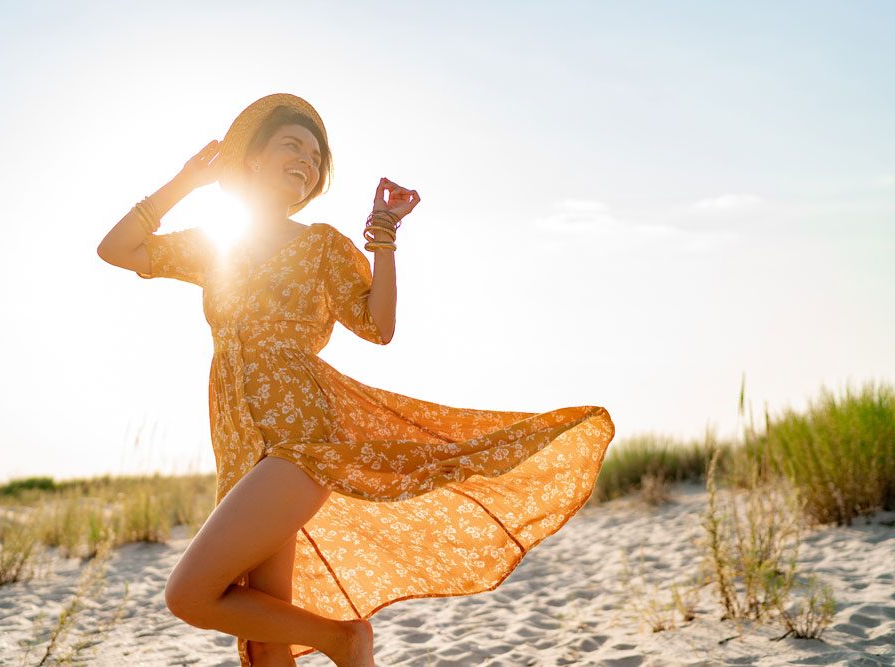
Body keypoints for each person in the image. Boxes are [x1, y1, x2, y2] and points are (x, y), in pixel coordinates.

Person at [97, 93, 615, 667]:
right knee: (266, 641)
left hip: (302, 444)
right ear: (251, 159)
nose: (307, 160)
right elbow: (115, 249)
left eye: (316, 156)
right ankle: (345, 647)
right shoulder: (214, 246)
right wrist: (185, 183)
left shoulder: (320, 245)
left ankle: (345, 640)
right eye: (291, 145)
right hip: (242, 444)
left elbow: (377, 325)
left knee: (190, 594)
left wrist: (384, 237)